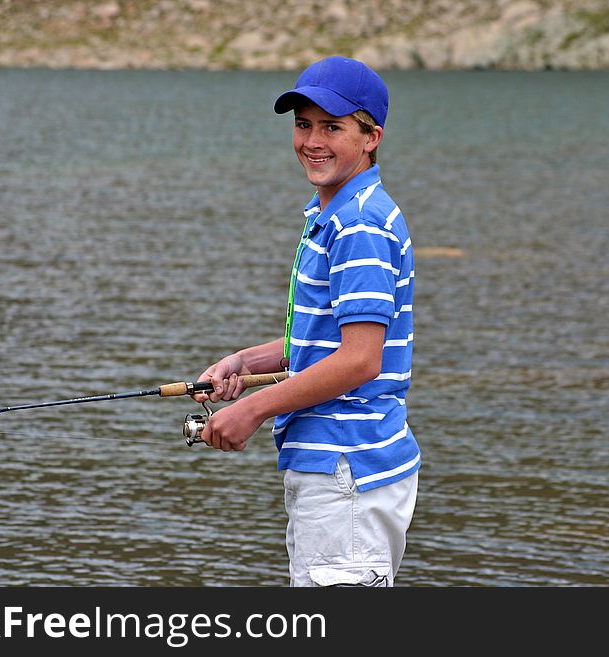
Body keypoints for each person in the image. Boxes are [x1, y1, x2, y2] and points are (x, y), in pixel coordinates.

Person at [193, 56, 419, 587]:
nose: (312, 141)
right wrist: (246, 361)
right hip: (338, 470)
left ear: (371, 137)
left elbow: (361, 359)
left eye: (332, 127)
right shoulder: (339, 213)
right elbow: (329, 336)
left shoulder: (360, 224)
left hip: (347, 471)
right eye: (303, 124)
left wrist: (251, 409)